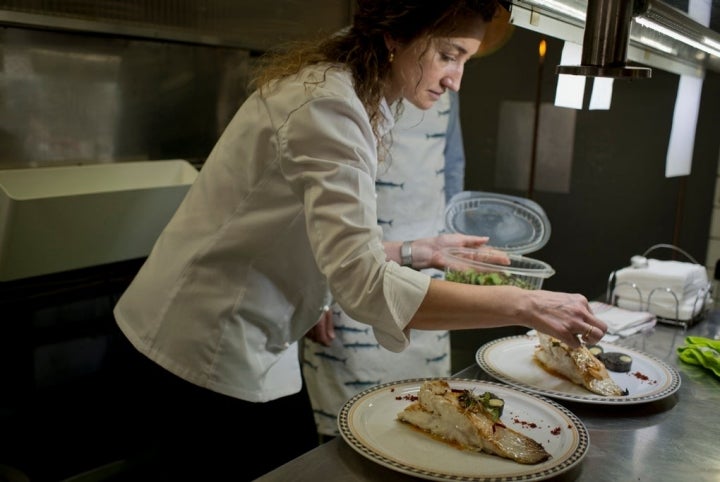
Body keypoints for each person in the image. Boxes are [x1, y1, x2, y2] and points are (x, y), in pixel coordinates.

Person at [108, 1, 608, 480]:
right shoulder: (326, 105)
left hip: (252, 334)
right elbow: (363, 284)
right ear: (395, 35)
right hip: (201, 346)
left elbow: (320, 241)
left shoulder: (357, 93)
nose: (456, 79)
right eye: (448, 55)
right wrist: (526, 305)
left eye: (465, 59)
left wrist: (417, 251)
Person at [302, 89, 465, 441]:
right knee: (353, 432)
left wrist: (455, 254)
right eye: (449, 55)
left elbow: (452, 173)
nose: (456, 76)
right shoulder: (341, 91)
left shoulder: (447, 93)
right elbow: (312, 204)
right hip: (352, 273)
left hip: (427, 273)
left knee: (428, 425)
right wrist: (315, 289)